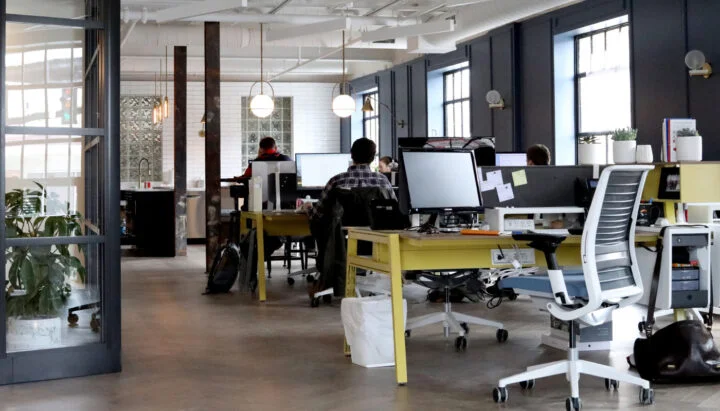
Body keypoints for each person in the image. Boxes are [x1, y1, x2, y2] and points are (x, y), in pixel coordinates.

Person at [309, 138, 396, 218]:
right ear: (373, 158)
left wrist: (308, 208)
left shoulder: (336, 181)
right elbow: (395, 212)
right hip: (375, 230)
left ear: (351, 155)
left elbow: (316, 215)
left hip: (342, 230)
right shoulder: (383, 180)